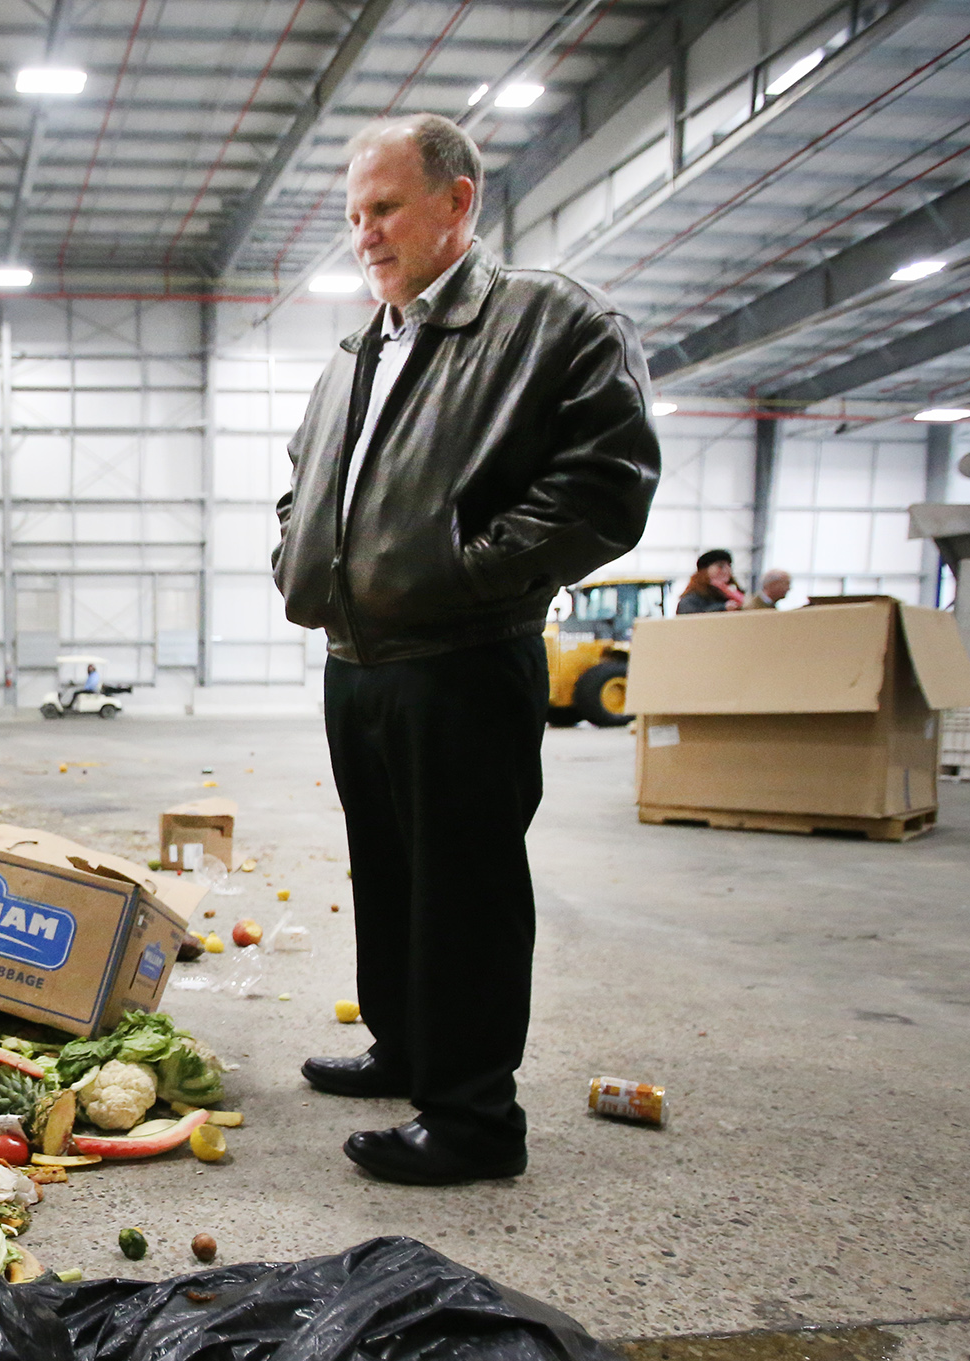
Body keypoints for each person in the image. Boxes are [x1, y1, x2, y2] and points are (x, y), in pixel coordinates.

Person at [272, 113, 659, 1186]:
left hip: (464, 655)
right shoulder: (361, 351)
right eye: (355, 215)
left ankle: (477, 1119)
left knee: (466, 885)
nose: (366, 235)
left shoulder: (549, 322)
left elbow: (606, 483)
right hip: (359, 658)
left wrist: (468, 568)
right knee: (389, 871)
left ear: (457, 202)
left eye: (386, 208)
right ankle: (405, 1051)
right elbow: (305, 483)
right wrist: (296, 558)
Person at [674, 549, 746, 613]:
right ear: (705, 571)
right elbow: (688, 614)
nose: (727, 570)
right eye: (720, 566)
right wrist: (722, 608)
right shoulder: (693, 598)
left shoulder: (734, 594)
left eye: (729, 566)